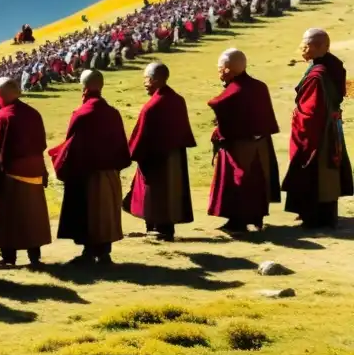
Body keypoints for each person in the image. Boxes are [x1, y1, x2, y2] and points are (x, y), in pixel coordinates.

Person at [49, 70, 131, 266]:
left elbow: (72, 144)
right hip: (109, 172)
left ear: (84, 88)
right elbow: (121, 144)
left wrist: (58, 157)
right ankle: (104, 253)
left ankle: (88, 251)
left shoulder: (80, 114)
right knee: (105, 212)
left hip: (86, 174)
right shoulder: (113, 113)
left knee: (88, 212)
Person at [282, 29, 354, 228]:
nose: (302, 49)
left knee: (315, 169)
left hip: (318, 132)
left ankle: (314, 216)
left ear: (322, 46)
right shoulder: (332, 65)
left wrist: (297, 117)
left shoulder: (317, 75)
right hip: (332, 126)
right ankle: (323, 213)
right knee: (330, 170)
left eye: (307, 45)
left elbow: (311, 112)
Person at [207, 49, 281, 233]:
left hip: (239, 146)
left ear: (226, 70)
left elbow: (218, 104)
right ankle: (257, 217)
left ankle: (237, 222)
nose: (219, 73)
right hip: (262, 143)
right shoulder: (260, 86)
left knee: (238, 180)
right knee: (258, 181)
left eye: (219, 69)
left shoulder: (232, 94)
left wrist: (218, 132)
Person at [122, 63, 196, 241]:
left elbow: (141, 136)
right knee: (172, 191)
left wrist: (129, 155)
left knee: (155, 193)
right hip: (175, 156)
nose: (144, 83)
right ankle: (165, 228)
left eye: (146, 80)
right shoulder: (178, 100)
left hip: (155, 158)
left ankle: (157, 227)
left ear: (155, 80)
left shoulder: (152, 107)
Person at [0, 76, 51, 269]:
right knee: (32, 215)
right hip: (35, 171)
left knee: (8, 216)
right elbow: (41, 144)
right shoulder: (33, 113)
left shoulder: (5, 116)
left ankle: (8, 257)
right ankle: (34, 256)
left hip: (12, 175)